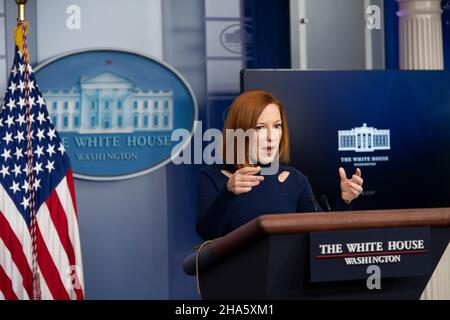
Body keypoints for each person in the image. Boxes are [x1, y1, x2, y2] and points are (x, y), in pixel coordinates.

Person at [196, 90, 363, 240]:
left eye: (277, 126)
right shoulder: (213, 177)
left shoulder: (294, 179)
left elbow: (323, 237)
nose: (271, 136)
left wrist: (345, 202)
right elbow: (207, 233)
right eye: (260, 127)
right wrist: (228, 193)